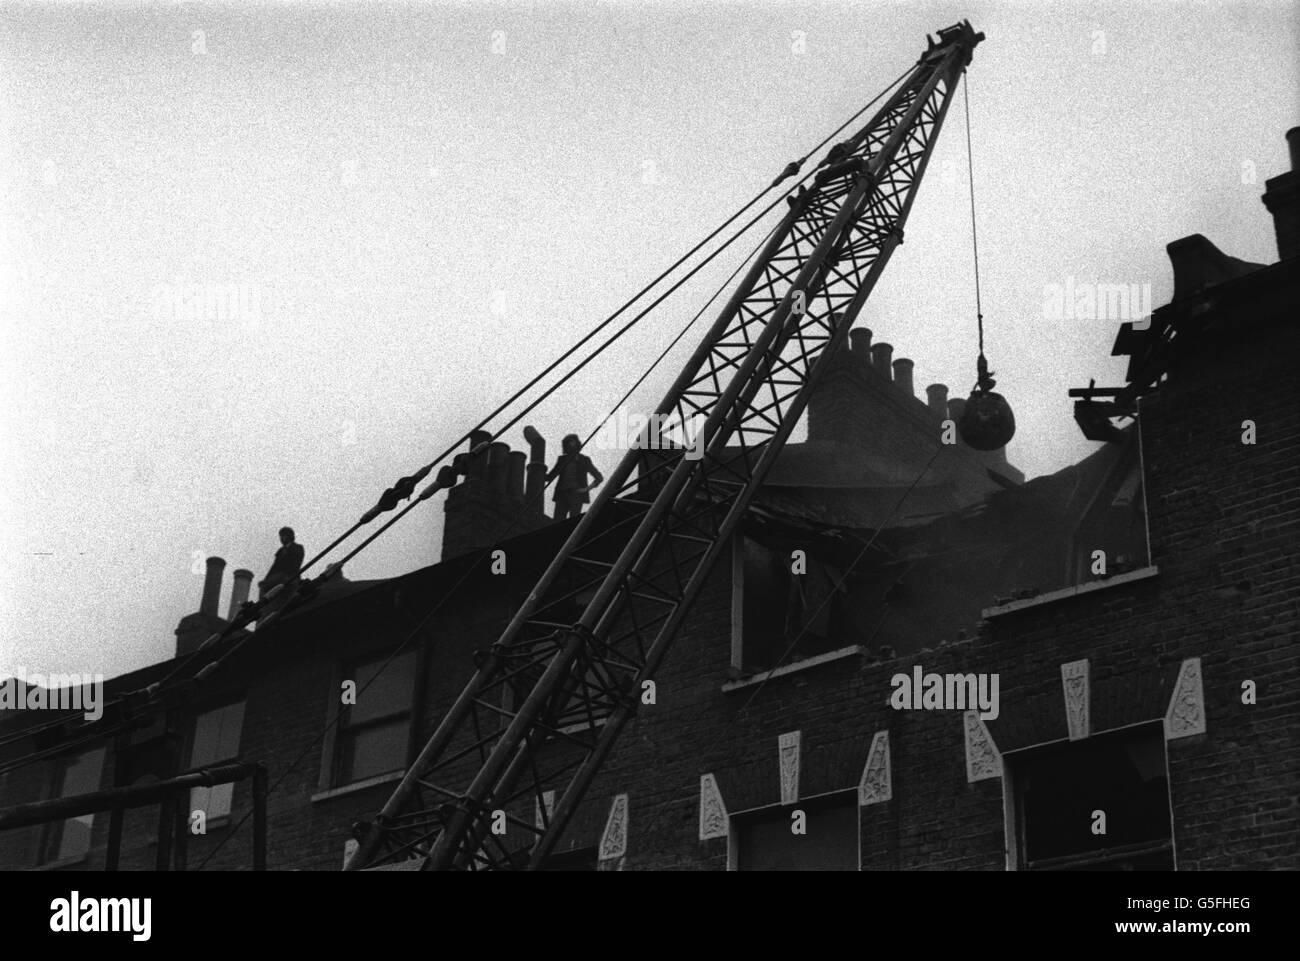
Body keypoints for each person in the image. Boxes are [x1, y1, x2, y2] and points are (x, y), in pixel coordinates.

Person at [547, 435, 603, 521]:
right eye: (568, 442)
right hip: (561, 494)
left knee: (573, 523)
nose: (570, 444)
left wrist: (586, 489)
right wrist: (538, 470)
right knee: (557, 522)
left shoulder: (584, 460)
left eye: (572, 442)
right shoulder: (562, 460)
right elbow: (551, 476)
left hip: (576, 495)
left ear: (577, 443)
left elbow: (599, 477)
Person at [262, 526, 305, 593]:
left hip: (291, 577)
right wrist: (266, 579)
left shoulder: (298, 548)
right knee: (263, 586)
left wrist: (284, 574)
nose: (281, 538)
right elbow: (274, 566)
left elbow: (297, 564)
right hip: (277, 578)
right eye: (281, 536)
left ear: (289, 536)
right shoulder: (280, 551)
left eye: (283, 535)